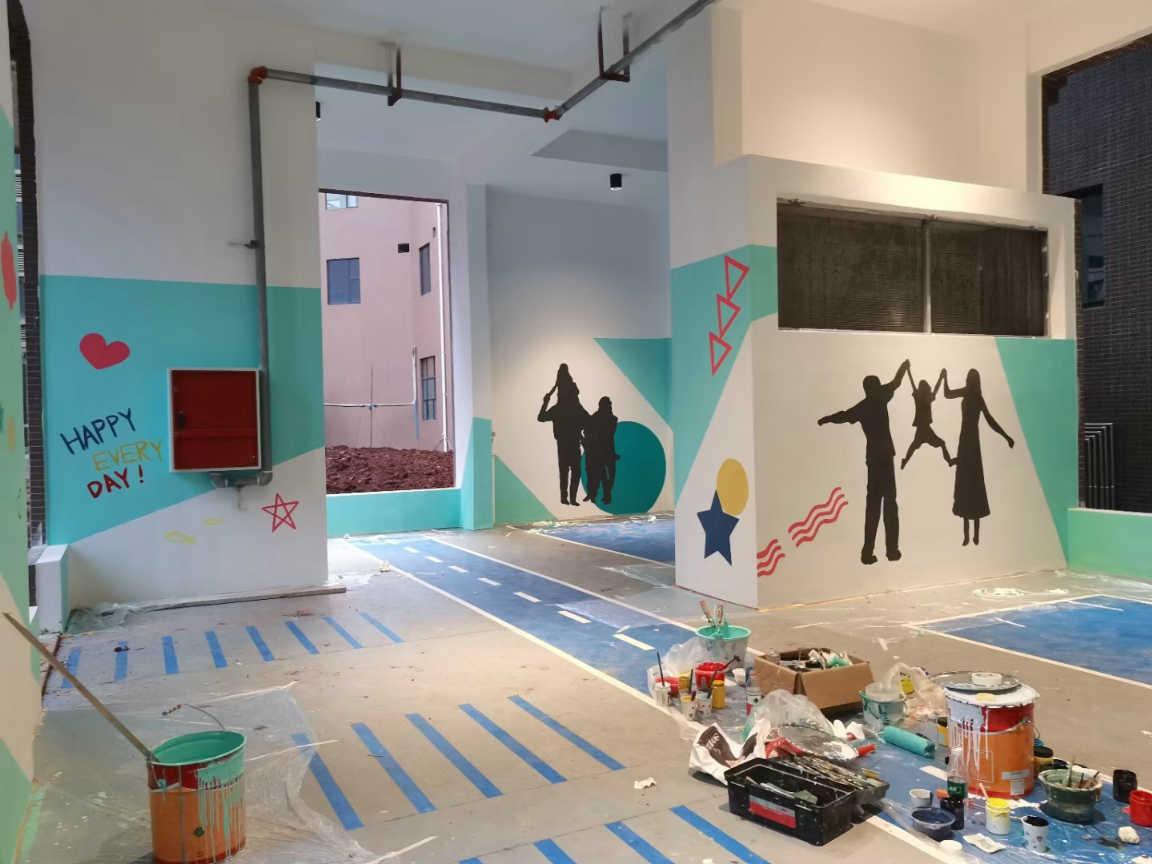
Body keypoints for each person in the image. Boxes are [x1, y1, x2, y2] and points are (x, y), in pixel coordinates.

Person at [818, 359, 911, 565]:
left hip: (874, 460)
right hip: (884, 458)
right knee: (889, 504)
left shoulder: (864, 406)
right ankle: (891, 550)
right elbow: (896, 382)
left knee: (874, 506)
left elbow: (843, 416)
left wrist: (827, 419)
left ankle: (868, 552)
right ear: (875, 387)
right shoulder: (881, 397)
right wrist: (904, 367)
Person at [942, 368, 1014, 546]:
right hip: (971, 443)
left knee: (968, 485)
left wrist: (944, 377)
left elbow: (947, 393)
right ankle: (972, 535)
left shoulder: (969, 393)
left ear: (969, 380)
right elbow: (990, 420)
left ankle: (970, 536)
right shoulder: (976, 396)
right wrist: (1006, 436)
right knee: (972, 485)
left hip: (967, 442)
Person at [538, 363, 588, 506]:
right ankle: (569, 498)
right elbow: (588, 421)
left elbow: (541, 417)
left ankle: (567, 498)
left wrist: (545, 402)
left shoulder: (559, 408)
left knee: (566, 471)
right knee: (572, 471)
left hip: (566, 443)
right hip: (571, 443)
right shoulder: (574, 407)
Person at [901, 368, 953, 469]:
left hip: (924, 428)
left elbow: (935, 389)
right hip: (923, 428)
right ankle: (949, 461)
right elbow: (913, 383)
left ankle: (905, 460)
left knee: (915, 445)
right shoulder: (921, 397)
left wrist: (941, 378)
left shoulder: (925, 397)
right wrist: (908, 370)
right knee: (938, 443)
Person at [583, 396, 618, 505]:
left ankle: (606, 495)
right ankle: (603, 495)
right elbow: (587, 432)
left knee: (609, 475)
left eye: (610, 404)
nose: (610, 406)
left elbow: (609, 434)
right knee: (602, 475)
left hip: (607, 451)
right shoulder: (596, 418)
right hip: (599, 452)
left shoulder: (611, 419)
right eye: (608, 404)